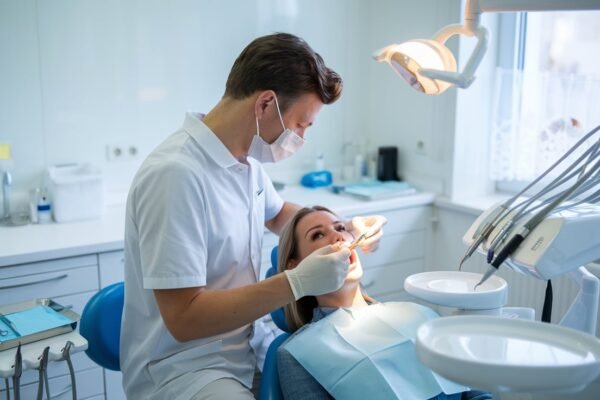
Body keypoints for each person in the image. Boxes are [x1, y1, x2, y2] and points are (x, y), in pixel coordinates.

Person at [120, 33, 386, 400]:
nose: (301, 138)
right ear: (265, 104)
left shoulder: (245, 164)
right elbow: (184, 319)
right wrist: (295, 283)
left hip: (245, 347)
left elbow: (280, 216)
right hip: (186, 369)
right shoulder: (176, 175)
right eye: (300, 125)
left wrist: (342, 225)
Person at [276, 206, 493, 400]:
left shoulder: (418, 314)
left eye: (341, 227)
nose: (337, 237)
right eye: (318, 235)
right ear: (296, 266)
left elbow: (471, 391)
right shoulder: (298, 353)